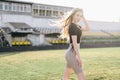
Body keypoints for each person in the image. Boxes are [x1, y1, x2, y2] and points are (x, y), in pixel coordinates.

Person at [57, 8, 90, 80]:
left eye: (80, 16)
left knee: (66, 77)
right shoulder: (72, 26)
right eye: (77, 15)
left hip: (71, 54)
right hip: (71, 54)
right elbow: (75, 44)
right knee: (81, 76)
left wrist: (83, 17)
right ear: (73, 15)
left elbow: (88, 28)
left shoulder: (77, 26)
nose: (79, 18)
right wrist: (79, 57)